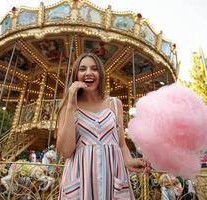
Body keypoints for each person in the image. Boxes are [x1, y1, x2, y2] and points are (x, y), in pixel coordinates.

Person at [56, 52, 148, 199]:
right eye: (82, 69)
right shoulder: (68, 107)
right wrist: (71, 106)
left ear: (100, 73)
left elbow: (121, 144)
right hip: (81, 177)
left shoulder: (115, 104)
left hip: (113, 175)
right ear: (76, 75)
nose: (88, 73)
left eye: (94, 68)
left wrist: (130, 161)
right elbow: (66, 152)